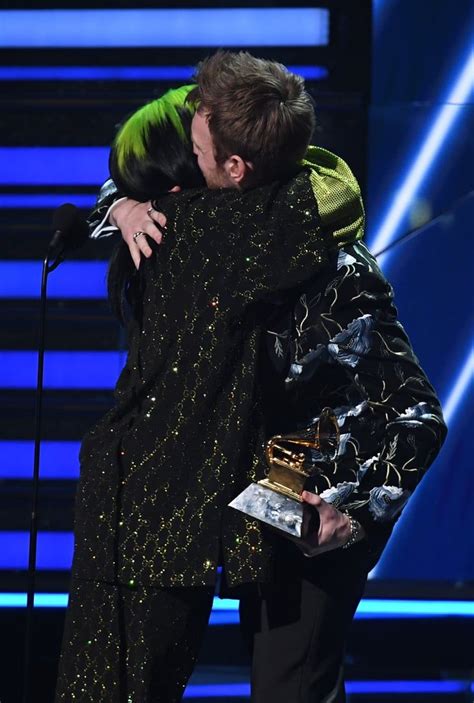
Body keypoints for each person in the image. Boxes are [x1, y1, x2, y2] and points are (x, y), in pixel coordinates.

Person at [56, 52, 446, 703]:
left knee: (290, 684)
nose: (189, 134)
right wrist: (120, 205)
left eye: (199, 134)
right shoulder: (201, 208)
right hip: (212, 466)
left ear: (235, 170)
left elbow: (415, 412)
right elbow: (144, 168)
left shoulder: (332, 267)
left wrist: (348, 508)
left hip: (306, 471)